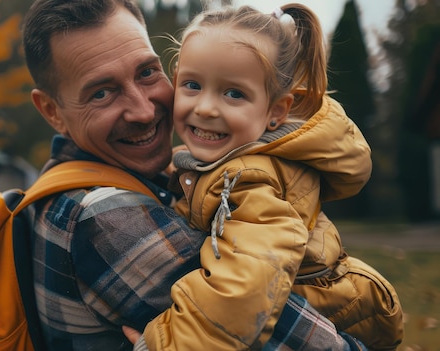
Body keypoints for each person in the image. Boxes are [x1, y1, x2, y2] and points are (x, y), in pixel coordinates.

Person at [22, 0, 369, 350]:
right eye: (101, 92)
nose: (144, 112)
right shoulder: (102, 216)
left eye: (146, 72)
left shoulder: (172, 175)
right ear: (52, 111)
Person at [135, 3, 403, 350]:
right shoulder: (224, 162)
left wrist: (167, 345)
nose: (205, 107)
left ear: (275, 111)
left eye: (234, 93)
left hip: (328, 314)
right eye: (192, 85)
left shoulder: (246, 178)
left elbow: (243, 289)